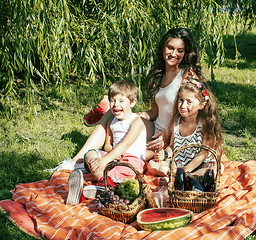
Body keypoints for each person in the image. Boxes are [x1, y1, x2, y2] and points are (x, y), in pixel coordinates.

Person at [52, 28, 203, 172]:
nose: (173, 54)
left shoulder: (187, 76)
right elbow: (155, 112)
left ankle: (101, 160)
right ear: (163, 47)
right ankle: (75, 160)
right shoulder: (159, 76)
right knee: (114, 112)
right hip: (155, 128)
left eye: (180, 50)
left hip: (170, 136)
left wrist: (168, 133)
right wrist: (137, 115)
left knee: (125, 146)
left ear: (186, 53)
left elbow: (192, 113)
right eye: (170, 48)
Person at [66, 80, 146, 205]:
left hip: (132, 160)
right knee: (90, 155)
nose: (115, 104)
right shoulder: (112, 121)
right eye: (112, 101)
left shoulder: (137, 121)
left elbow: (125, 144)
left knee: (116, 170)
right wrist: (107, 157)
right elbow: (108, 144)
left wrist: (104, 161)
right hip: (114, 157)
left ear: (132, 103)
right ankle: (104, 182)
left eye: (121, 101)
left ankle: (101, 185)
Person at [147, 78, 224, 177]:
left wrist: (185, 170)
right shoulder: (176, 122)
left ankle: (185, 177)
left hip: (200, 164)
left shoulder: (205, 124)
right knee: (152, 165)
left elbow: (204, 153)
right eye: (181, 100)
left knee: (217, 167)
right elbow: (172, 146)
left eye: (189, 102)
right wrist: (165, 155)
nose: (183, 105)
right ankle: (182, 177)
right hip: (179, 163)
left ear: (202, 105)